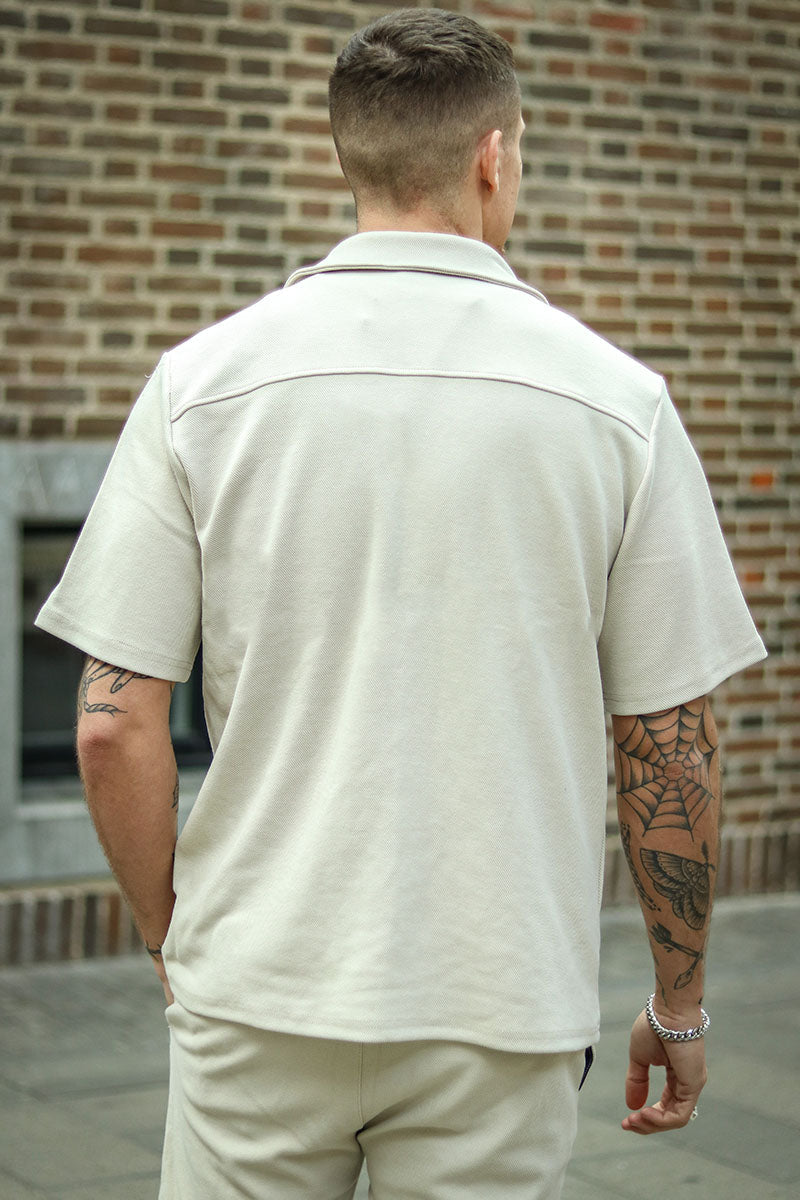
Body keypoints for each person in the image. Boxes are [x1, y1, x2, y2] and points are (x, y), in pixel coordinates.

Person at [37, 8, 766, 1198]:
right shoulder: (616, 405)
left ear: (348, 159)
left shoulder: (199, 387)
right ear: (492, 156)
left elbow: (111, 723)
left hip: (258, 988)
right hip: (498, 999)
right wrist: (675, 1005)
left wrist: (176, 939)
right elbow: (667, 743)